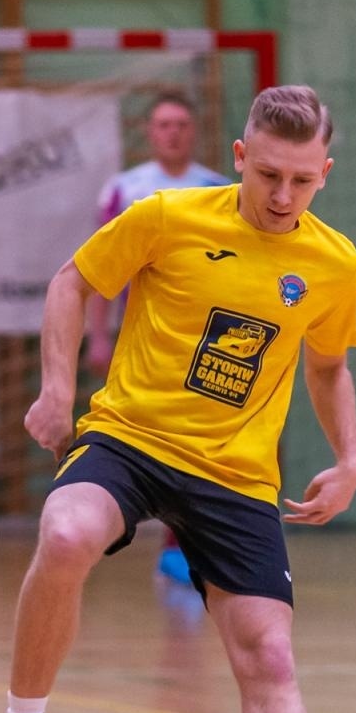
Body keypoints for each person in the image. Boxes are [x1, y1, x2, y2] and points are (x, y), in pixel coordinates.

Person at [0, 85, 356, 713]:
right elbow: (72, 282)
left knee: (270, 657)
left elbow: (327, 366)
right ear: (238, 158)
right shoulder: (167, 217)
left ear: (325, 173)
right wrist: (55, 390)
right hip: (133, 438)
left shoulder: (334, 263)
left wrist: (350, 457)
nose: (282, 196)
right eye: (268, 175)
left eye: (301, 180)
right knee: (67, 530)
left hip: (237, 475)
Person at [86, 94, 233, 590]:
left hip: (207, 343)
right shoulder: (126, 189)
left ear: (194, 131)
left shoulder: (218, 189)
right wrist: (98, 336)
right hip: (144, 344)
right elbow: (99, 270)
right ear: (149, 131)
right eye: (164, 124)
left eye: (182, 124)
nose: (173, 132)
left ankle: (187, 544)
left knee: (201, 441)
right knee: (143, 437)